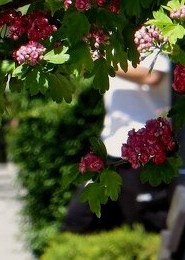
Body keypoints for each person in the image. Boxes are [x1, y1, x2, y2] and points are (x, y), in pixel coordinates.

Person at [61, 52, 175, 234]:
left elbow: (153, 75)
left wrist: (102, 63)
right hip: (109, 149)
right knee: (79, 220)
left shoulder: (152, 40)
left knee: (146, 225)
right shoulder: (112, 45)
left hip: (145, 151)